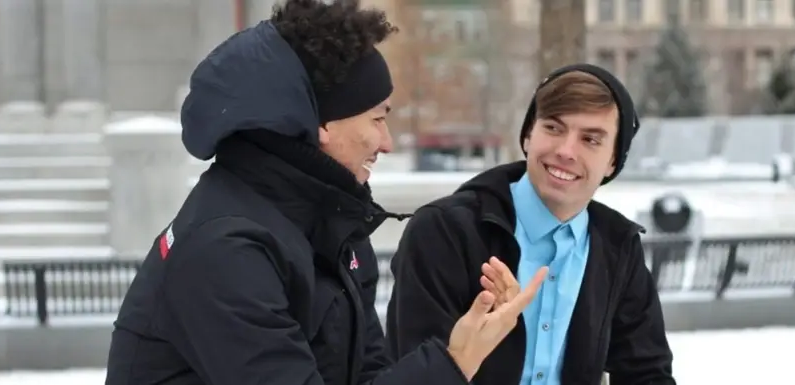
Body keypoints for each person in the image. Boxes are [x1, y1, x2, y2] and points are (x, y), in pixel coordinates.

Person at [103, 1, 547, 384]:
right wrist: (454, 362)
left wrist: (463, 348)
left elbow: (367, 375)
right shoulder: (225, 250)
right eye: (376, 118)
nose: (387, 141)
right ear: (318, 125)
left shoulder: (331, 228)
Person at [385, 64, 677, 385]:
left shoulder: (618, 247)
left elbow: (647, 373)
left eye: (591, 139)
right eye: (553, 128)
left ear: (612, 161)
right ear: (527, 135)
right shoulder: (445, 232)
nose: (566, 151)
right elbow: (414, 372)